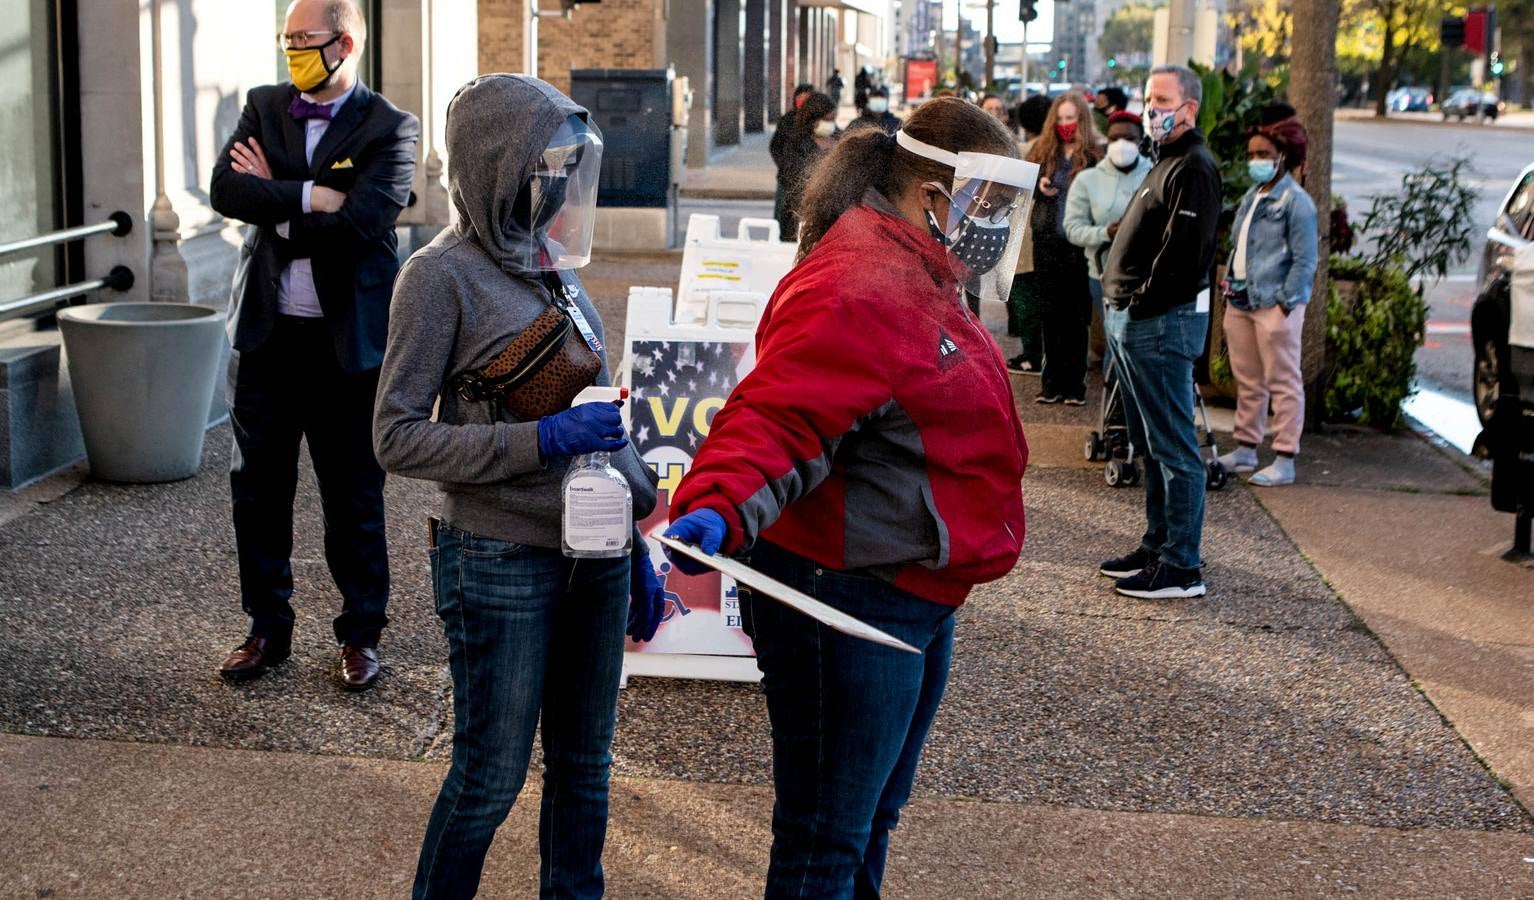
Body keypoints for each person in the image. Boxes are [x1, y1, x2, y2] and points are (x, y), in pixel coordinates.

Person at [662, 97, 1031, 899]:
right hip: (847, 598)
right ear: (934, 195)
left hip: (901, 592)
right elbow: (779, 415)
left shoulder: (914, 265)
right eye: (991, 204)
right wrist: (719, 503)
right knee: (825, 842)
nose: (999, 226)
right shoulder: (863, 280)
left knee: (865, 822)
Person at [372, 74, 664, 899]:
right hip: (499, 557)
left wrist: (634, 538)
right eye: (546, 168)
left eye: (569, 168)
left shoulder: (550, 263)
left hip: (594, 555)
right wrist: (537, 440)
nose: (561, 187)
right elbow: (395, 436)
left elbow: (599, 416)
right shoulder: (438, 277)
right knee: (489, 779)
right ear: (497, 166)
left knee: (585, 769)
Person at [209, 0, 418, 690]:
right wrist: (308, 196)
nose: (292, 50)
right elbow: (225, 191)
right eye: (287, 38)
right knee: (257, 492)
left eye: (305, 38)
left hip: (346, 348)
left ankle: (361, 634)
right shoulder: (264, 105)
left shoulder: (391, 126)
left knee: (353, 496)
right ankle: (266, 628)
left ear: (345, 43)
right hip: (267, 339)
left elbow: (362, 224)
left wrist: (274, 196)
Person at [1098, 64, 1222, 600]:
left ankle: (1181, 565)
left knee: (1173, 445)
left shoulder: (1194, 167)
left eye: (1163, 100)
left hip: (1158, 323)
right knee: (1150, 441)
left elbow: (1182, 256)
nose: (1152, 109)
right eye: (1149, 98)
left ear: (1189, 108)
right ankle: (1157, 545)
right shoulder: (1166, 161)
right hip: (1135, 320)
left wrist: (1139, 303)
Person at [1216, 114, 1318, 487]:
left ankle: (1285, 458)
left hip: (1274, 303)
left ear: (1282, 156)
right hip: (1241, 298)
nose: (1255, 160)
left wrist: (1286, 304)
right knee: (1248, 379)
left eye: (1263, 154)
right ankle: (1246, 448)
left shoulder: (1297, 202)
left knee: (1283, 381)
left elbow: (1306, 260)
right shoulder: (1252, 195)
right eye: (1252, 154)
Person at [1025, 92, 1101, 405]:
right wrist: (1040, 186)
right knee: (1050, 315)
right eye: (1060, 118)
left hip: (1078, 245)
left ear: (1081, 120)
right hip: (1047, 242)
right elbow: (1024, 187)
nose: (1065, 124)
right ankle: (1052, 383)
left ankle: (1074, 385)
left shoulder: (1093, 157)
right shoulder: (1043, 152)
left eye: (1070, 118)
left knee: (1077, 316)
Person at [1064, 110, 1151, 371]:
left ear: (1140, 141)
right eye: (1114, 138)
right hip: (1103, 274)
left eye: (1128, 138)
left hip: (1148, 276)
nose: (1121, 144)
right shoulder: (1088, 179)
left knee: (1142, 343)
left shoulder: (1155, 174)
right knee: (1115, 339)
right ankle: (1113, 388)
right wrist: (1105, 233)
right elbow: (1072, 228)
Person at [1005, 93, 1056, 374]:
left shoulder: (1019, 153)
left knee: (1026, 301)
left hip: (1023, 239)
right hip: (1054, 239)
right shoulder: (1058, 152)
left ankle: (1032, 355)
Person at [775, 91, 838, 242]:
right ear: (813, 119)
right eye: (826, 119)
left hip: (833, 220)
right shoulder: (796, 144)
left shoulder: (840, 140)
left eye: (833, 119)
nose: (830, 124)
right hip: (800, 219)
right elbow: (793, 180)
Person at [772, 84, 818, 235]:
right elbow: (775, 146)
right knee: (783, 217)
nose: (803, 102)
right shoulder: (787, 121)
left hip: (810, 182)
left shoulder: (817, 123)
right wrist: (784, 165)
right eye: (800, 98)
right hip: (787, 180)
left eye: (807, 99)